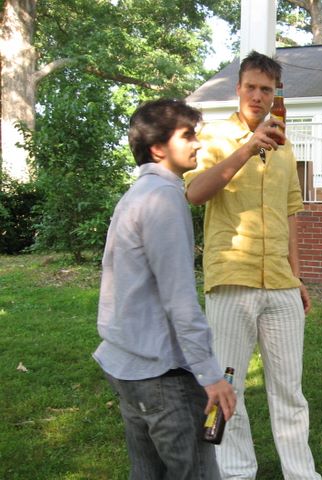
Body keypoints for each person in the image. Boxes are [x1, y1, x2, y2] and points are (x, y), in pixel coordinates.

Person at [184, 51, 321, 480]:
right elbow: (195, 193)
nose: (258, 96)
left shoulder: (285, 145)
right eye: (251, 87)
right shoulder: (214, 137)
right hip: (232, 279)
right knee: (228, 386)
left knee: (289, 390)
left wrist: (297, 276)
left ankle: (301, 474)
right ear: (238, 88)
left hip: (280, 283)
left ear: (275, 93)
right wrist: (247, 148)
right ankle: (236, 472)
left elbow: (291, 213)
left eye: (267, 89)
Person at [94, 99, 237, 479]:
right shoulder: (162, 198)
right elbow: (180, 299)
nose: (197, 143)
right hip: (161, 375)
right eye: (187, 136)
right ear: (158, 148)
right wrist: (211, 376)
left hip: (129, 367)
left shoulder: (136, 195)